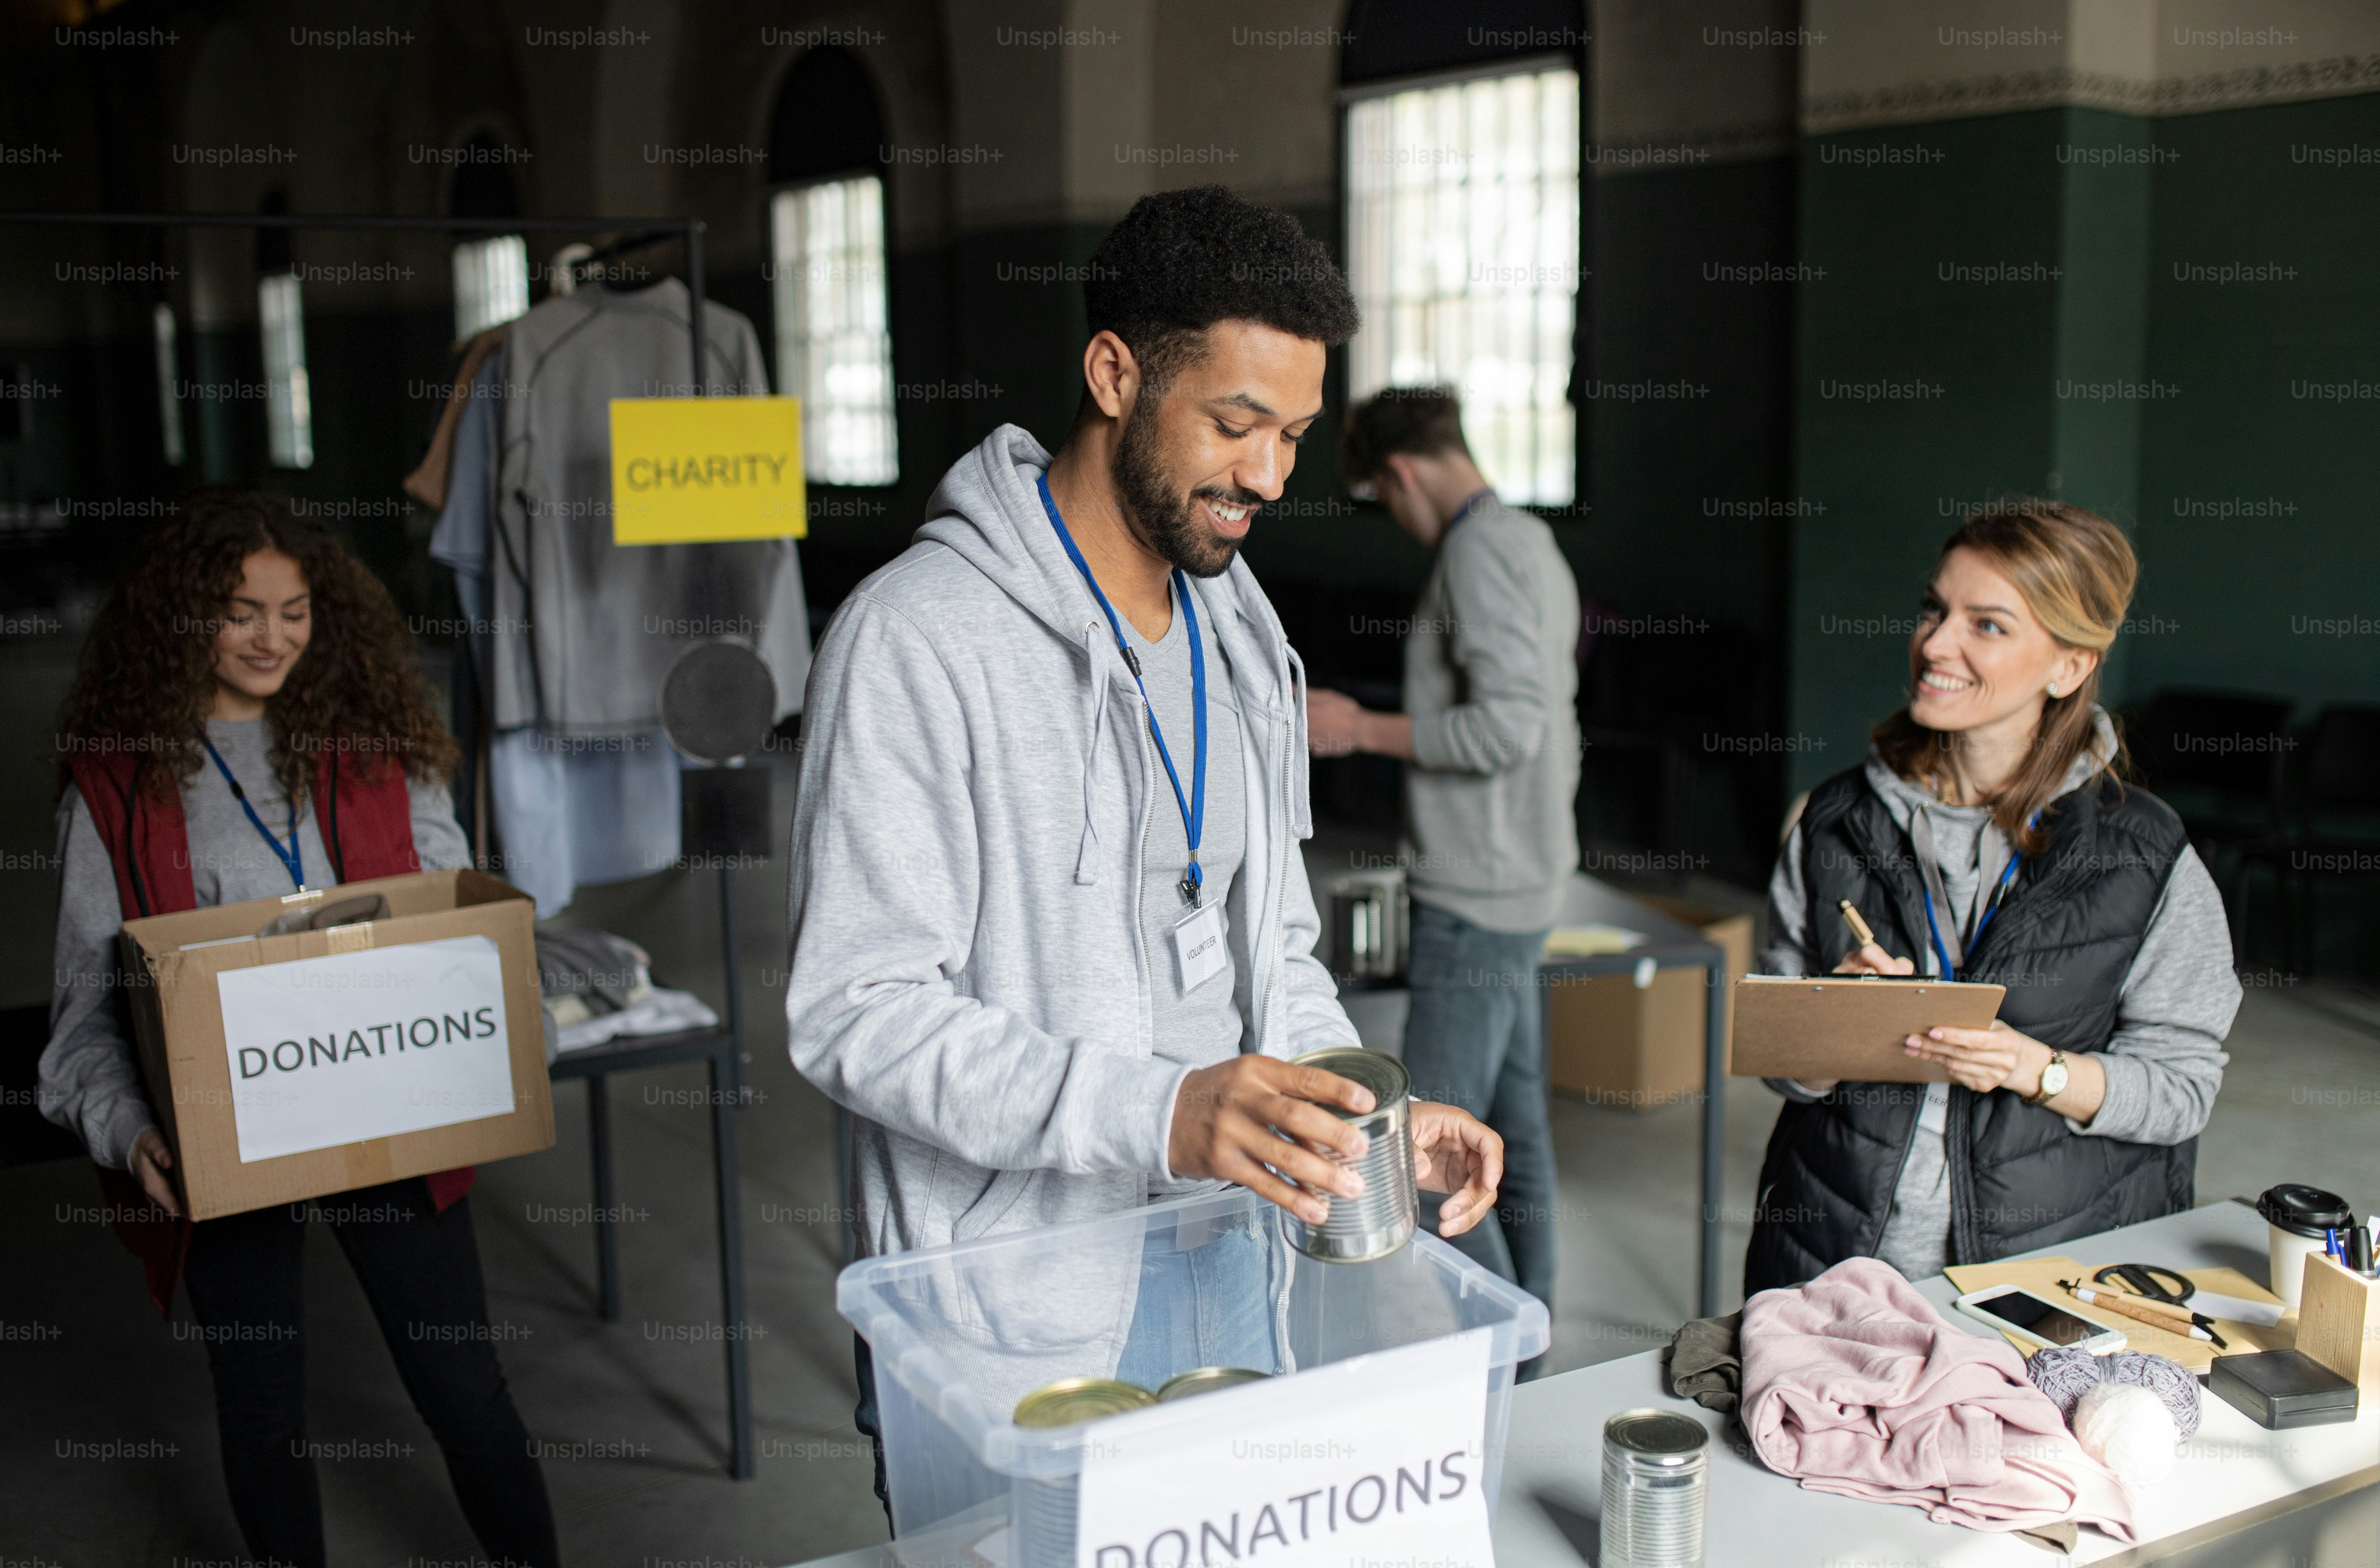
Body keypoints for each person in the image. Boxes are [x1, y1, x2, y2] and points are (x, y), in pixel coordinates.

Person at [780, 187, 1505, 1504]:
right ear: (1113, 372)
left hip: (1232, 1250)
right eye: (1234, 425)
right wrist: (1159, 1110)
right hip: (1015, 1299)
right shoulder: (916, 640)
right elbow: (856, 1010)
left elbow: (1269, 943)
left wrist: (1359, 1114)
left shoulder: (1237, 634)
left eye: (1291, 434)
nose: (1270, 478)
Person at [41, 490, 560, 1568]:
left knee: (464, 1384)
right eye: (241, 611)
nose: (273, 637)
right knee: (262, 1401)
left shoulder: (374, 740)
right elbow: (82, 1019)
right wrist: (132, 1131)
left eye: (296, 609)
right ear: (185, 616)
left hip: (386, 1104)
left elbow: (456, 923)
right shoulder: (118, 784)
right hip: (220, 1136)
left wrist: (508, 1018)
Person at [1744, 502, 2240, 1294]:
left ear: (2069, 666)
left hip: (2050, 1281)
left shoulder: (2147, 854)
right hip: (1834, 1262)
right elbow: (1779, 1064)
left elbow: (2182, 1091)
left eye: (1989, 624)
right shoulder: (1831, 821)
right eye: (1935, 610)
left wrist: (2036, 1069)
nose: (1936, 644)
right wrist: (1829, 1022)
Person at [1306, 388, 1581, 1320]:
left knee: (1431, 1148)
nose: (1399, 520)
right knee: (1515, 1130)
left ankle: (1496, 1337)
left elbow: (1510, 728)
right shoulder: (1530, 541)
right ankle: (1531, 1334)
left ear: (1401, 473)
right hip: (1522, 876)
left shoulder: (1475, 552)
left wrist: (1358, 727)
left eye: (1386, 501)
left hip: (1479, 890)